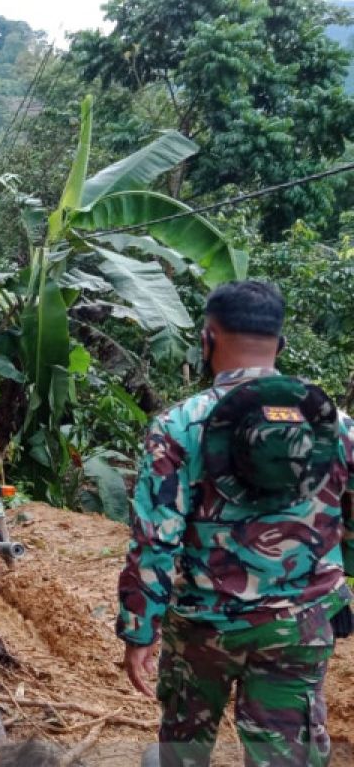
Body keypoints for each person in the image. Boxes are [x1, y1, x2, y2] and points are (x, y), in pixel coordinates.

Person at [116, 280, 354, 767]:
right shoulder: (337, 427)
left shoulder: (179, 426)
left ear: (207, 339)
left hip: (203, 627)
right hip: (299, 626)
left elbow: (154, 542)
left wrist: (139, 630)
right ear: (280, 344)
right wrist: (339, 590)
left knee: (183, 750)